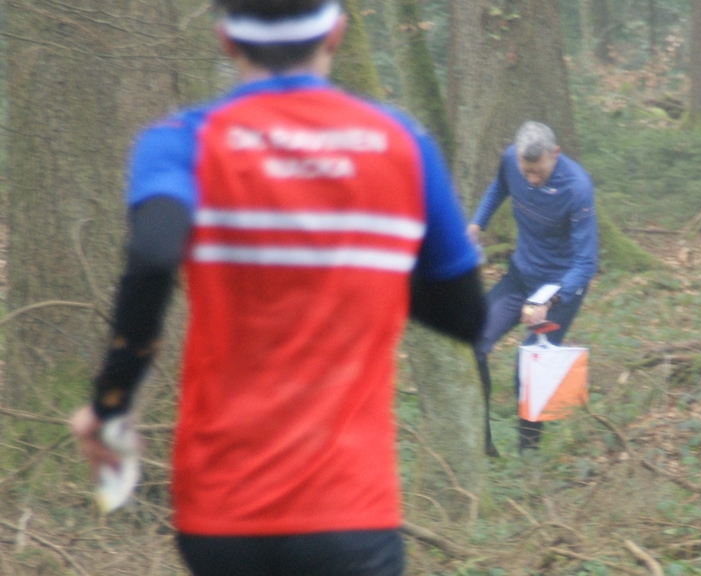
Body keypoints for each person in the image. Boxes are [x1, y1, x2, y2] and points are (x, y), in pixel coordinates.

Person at [69, 1, 485, 574]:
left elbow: (153, 255)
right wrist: (356, 255)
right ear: (336, 33)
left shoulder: (178, 141)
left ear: (225, 40)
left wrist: (111, 405)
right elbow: (467, 318)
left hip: (221, 517)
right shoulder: (402, 144)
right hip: (350, 515)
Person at [468, 121, 598, 455]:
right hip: (520, 275)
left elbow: (586, 263)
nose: (532, 179)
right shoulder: (511, 160)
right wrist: (477, 223)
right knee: (473, 342)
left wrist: (552, 299)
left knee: (527, 367)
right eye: (526, 172)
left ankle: (528, 457)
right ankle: (482, 445)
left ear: (555, 154)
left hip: (560, 288)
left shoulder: (576, 187)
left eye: (538, 171)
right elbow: (499, 187)